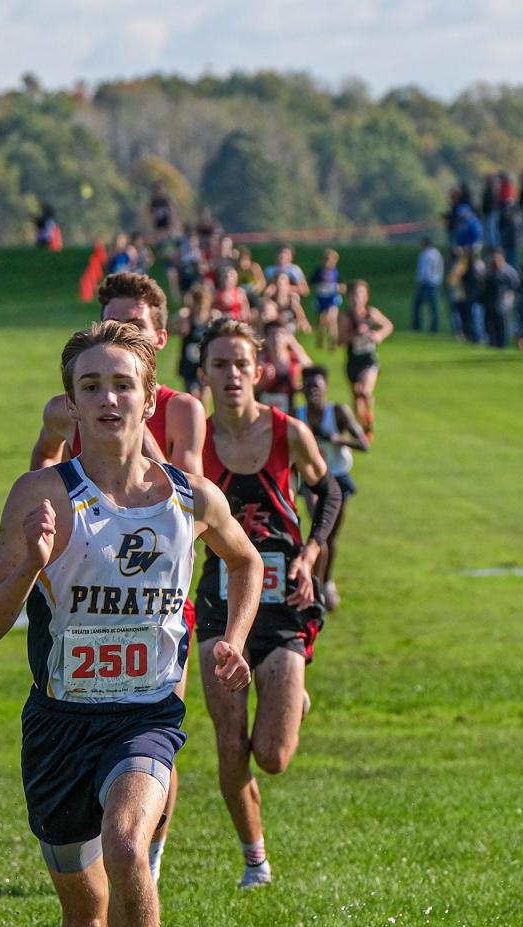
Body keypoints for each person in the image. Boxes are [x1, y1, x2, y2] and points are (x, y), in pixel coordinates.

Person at [0, 320, 261, 927]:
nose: (106, 398)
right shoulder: (41, 496)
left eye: (121, 382)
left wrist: (231, 639)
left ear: (149, 392)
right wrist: (30, 563)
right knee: (84, 914)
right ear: (72, 399)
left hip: (146, 720)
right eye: (89, 385)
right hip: (60, 728)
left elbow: (245, 560)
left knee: (130, 846)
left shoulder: (189, 498)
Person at [30, 272, 208, 881]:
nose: (129, 330)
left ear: (161, 334)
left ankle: (146, 852)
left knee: (156, 711)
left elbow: (185, 495)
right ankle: (116, 837)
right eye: (116, 320)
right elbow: (45, 459)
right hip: (89, 574)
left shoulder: (183, 408)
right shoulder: (68, 405)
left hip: (161, 583)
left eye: (138, 324)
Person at [195, 318, 342, 889]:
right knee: (230, 742)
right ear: (203, 374)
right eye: (219, 365)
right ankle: (254, 858)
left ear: (258, 371)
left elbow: (328, 490)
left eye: (241, 364)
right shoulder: (197, 443)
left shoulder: (289, 433)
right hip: (222, 601)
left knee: (273, 756)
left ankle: (292, 697)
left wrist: (310, 554)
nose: (232, 375)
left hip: (282, 601)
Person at [295, 366, 369, 609]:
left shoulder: (337, 412)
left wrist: (337, 438)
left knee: (332, 536)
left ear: (326, 387)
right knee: (320, 532)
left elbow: (363, 443)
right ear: (302, 390)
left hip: (338, 476)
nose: (313, 392)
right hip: (313, 479)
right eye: (308, 387)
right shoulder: (298, 415)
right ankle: (315, 586)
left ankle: (326, 581)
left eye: (317, 386)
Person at [338, 280, 393, 435]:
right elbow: (340, 340)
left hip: (369, 360)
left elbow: (388, 325)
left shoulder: (371, 313)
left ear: (366, 297)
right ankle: (363, 424)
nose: (357, 298)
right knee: (356, 397)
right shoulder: (346, 317)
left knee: (366, 392)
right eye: (354, 295)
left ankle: (368, 422)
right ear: (349, 298)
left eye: (361, 294)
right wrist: (355, 335)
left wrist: (379, 335)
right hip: (353, 361)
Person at [310, 249, 343, 349]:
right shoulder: (318, 272)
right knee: (321, 322)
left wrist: (338, 288)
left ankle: (333, 342)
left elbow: (342, 286)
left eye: (330, 260)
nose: (327, 262)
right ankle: (320, 339)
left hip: (332, 299)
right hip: (321, 299)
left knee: (332, 319)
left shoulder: (335, 273)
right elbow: (310, 284)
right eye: (325, 260)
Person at [412, 237, 443, 333]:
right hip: (435, 282)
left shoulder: (426, 254)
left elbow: (423, 270)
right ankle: (434, 327)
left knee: (418, 305)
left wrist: (419, 281)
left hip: (426, 283)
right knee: (434, 307)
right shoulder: (437, 254)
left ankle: (417, 326)